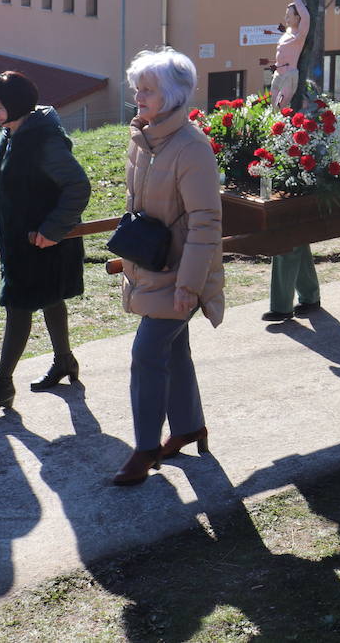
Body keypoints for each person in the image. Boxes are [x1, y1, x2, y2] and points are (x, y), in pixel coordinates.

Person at [114, 48, 225, 487]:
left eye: (148, 90)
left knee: (146, 354)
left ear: (174, 96)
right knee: (172, 351)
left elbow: (206, 222)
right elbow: (134, 205)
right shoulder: (143, 138)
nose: (138, 96)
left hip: (181, 273)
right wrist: (128, 251)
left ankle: (144, 449)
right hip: (151, 266)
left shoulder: (192, 148)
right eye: (137, 88)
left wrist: (190, 285)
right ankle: (188, 426)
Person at [0, 72, 91, 414]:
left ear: (18, 105)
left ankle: (2, 385)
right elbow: (2, 188)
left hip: (44, 242)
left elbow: (78, 186)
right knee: (49, 300)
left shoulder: (44, 140)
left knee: (18, 305)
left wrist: (53, 229)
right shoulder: (9, 133)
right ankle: (65, 361)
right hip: (18, 242)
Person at [264, 0, 321, 323]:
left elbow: (306, 18)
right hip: (286, 161)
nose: (286, 16)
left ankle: (283, 305)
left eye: (290, 13)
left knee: (287, 235)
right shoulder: (285, 35)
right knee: (294, 237)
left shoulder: (299, 35)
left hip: (293, 170)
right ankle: (309, 295)